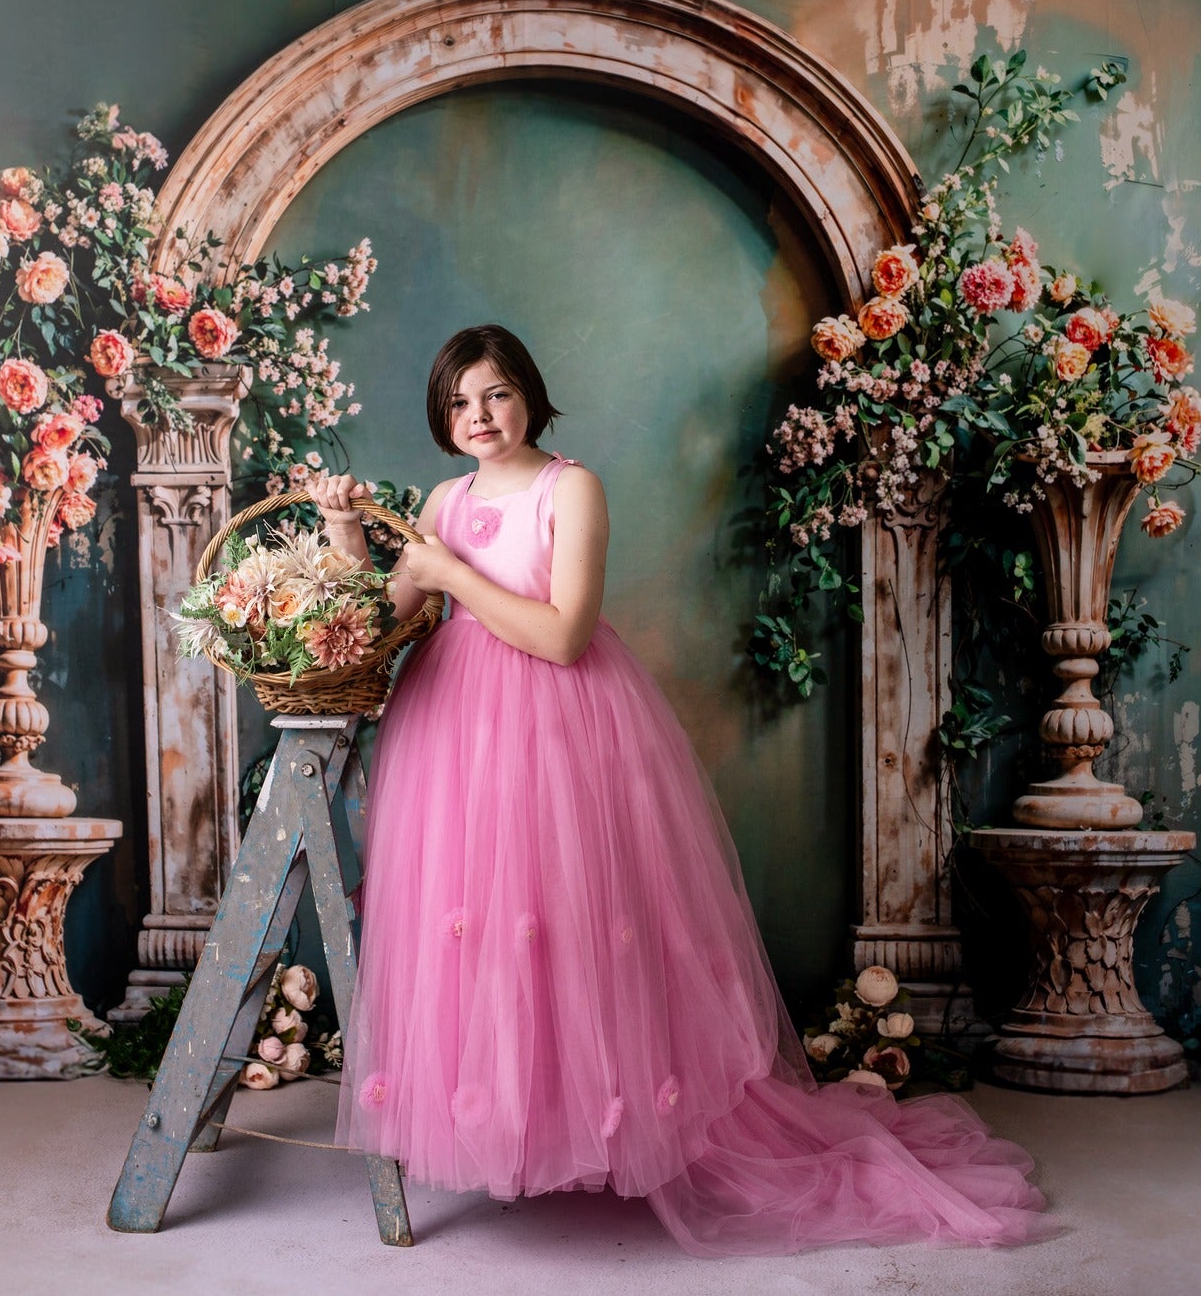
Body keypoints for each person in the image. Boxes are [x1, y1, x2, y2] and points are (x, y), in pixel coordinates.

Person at [313, 324, 1050, 1257]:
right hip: (455, 735)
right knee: (477, 924)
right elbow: (382, 622)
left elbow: (563, 635)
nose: (479, 415)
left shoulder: (569, 487)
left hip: (554, 728)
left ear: (529, 393)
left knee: (563, 916)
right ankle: (512, 1128)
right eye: (459, 402)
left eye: (495, 393)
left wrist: (450, 571)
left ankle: (596, 1125)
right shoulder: (444, 500)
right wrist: (348, 537)